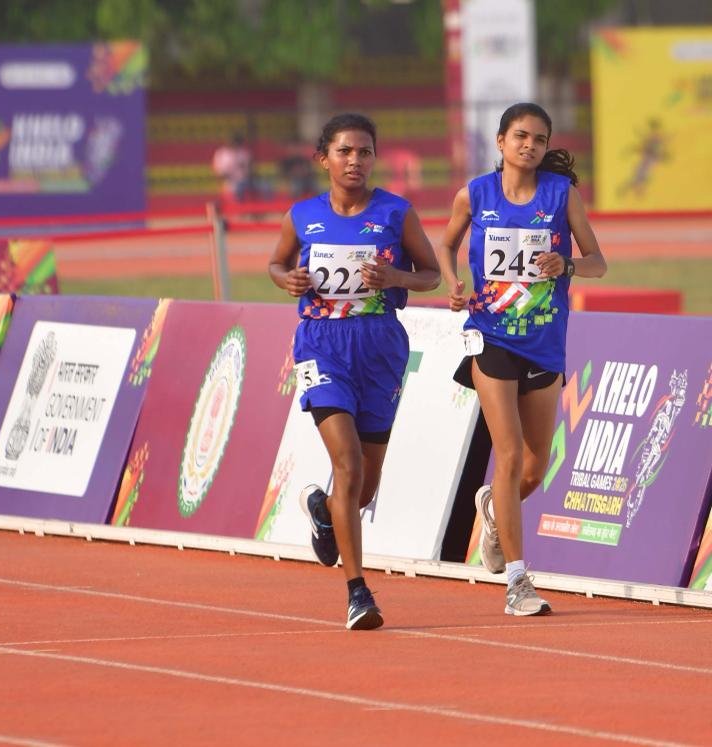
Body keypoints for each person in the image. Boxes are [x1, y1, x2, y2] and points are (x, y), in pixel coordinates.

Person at [268, 113, 440, 630]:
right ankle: (358, 592)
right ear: (324, 158)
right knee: (346, 465)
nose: (355, 161)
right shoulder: (302, 215)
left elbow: (431, 274)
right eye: (344, 151)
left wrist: (395, 276)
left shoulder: (396, 212)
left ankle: (324, 510)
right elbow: (276, 264)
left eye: (365, 152)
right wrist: (288, 280)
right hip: (321, 346)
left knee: (362, 484)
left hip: (380, 348)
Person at [437, 102, 607, 616]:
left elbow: (598, 262)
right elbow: (445, 245)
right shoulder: (474, 194)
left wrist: (566, 264)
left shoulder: (561, 194)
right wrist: (454, 284)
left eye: (539, 139)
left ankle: (492, 508)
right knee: (508, 456)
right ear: (501, 141)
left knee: (535, 467)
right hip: (490, 335)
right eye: (520, 136)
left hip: (544, 341)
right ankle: (517, 583)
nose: (529, 145)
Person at [212, 132, 251, 205]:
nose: (235, 145)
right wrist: (226, 176)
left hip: (244, 181)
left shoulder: (244, 153)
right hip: (228, 182)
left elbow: (247, 170)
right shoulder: (221, 153)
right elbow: (218, 172)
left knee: (264, 187)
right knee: (234, 188)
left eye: (237, 143)